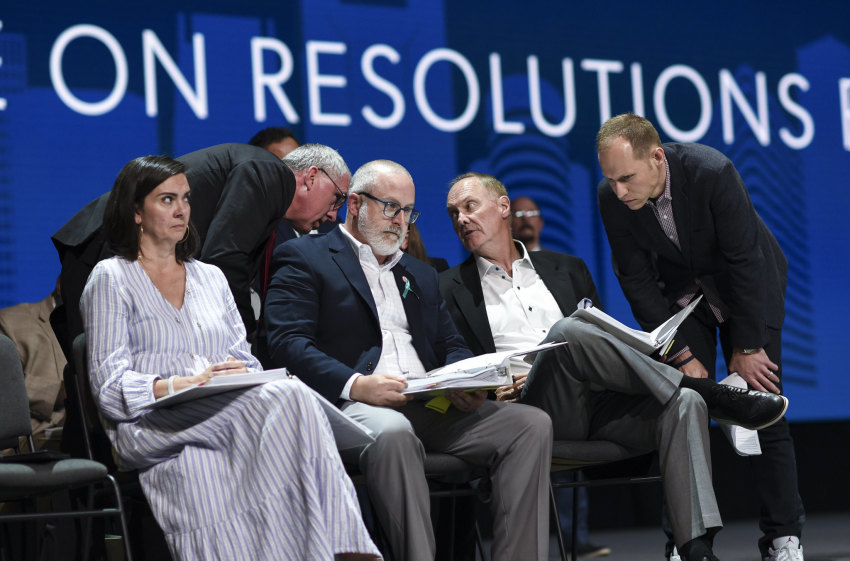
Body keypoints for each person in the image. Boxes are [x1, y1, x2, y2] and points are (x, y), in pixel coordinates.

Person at [440, 172, 790, 561]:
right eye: (453, 213)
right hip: (525, 410)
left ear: (503, 207)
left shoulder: (567, 268)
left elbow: (604, 342)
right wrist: (495, 387)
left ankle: (694, 548)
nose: (461, 220)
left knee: (683, 406)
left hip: (597, 405)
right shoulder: (448, 287)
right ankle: (715, 395)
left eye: (470, 207)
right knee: (569, 331)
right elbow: (457, 368)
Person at [79, 155, 379, 561]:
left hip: (222, 406)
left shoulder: (210, 277)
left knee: (289, 396)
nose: (182, 209)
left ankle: (329, 548)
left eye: (185, 198)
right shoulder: (112, 277)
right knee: (289, 400)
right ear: (135, 211)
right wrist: (186, 383)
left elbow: (245, 360)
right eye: (167, 200)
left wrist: (235, 374)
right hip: (154, 421)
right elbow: (110, 388)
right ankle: (344, 550)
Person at [264, 159, 553, 561]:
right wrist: (356, 384)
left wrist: (464, 379)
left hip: (429, 401)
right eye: (391, 207)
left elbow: (450, 343)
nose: (401, 221)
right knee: (395, 432)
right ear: (355, 205)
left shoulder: (420, 274)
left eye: (408, 212)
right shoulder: (305, 256)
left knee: (529, 424)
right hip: (353, 405)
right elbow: (287, 343)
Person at [596, 114, 806, 561]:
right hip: (684, 300)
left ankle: (783, 538)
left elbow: (746, 260)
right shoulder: (611, 197)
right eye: (611, 180)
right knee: (683, 412)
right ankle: (688, 544)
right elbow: (634, 279)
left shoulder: (711, 171)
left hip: (747, 289)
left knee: (763, 407)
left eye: (627, 178)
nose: (619, 191)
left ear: (656, 157)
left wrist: (748, 347)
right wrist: (680, 352)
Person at [52, 142, 349, 356]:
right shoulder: (270, 174)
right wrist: (239, 340)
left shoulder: (270, 194)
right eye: (337, 198)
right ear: (311, 177)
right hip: (108, 250)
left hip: (115, 252)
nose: (334, 215)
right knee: (98, 382)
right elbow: (224, 260)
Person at [510, 193, 606, 557]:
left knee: (572, 467)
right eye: (519, 213)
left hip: (566, 376)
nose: (525, 219)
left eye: (531, 212)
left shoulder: (565, 270)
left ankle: (576, 539)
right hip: (520, 381)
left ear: (542, 221)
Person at [0, 278, 66, 452]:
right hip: (36, 436)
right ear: (61, 284)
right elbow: (5, 387)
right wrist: (60, 392)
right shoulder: (11, 320)